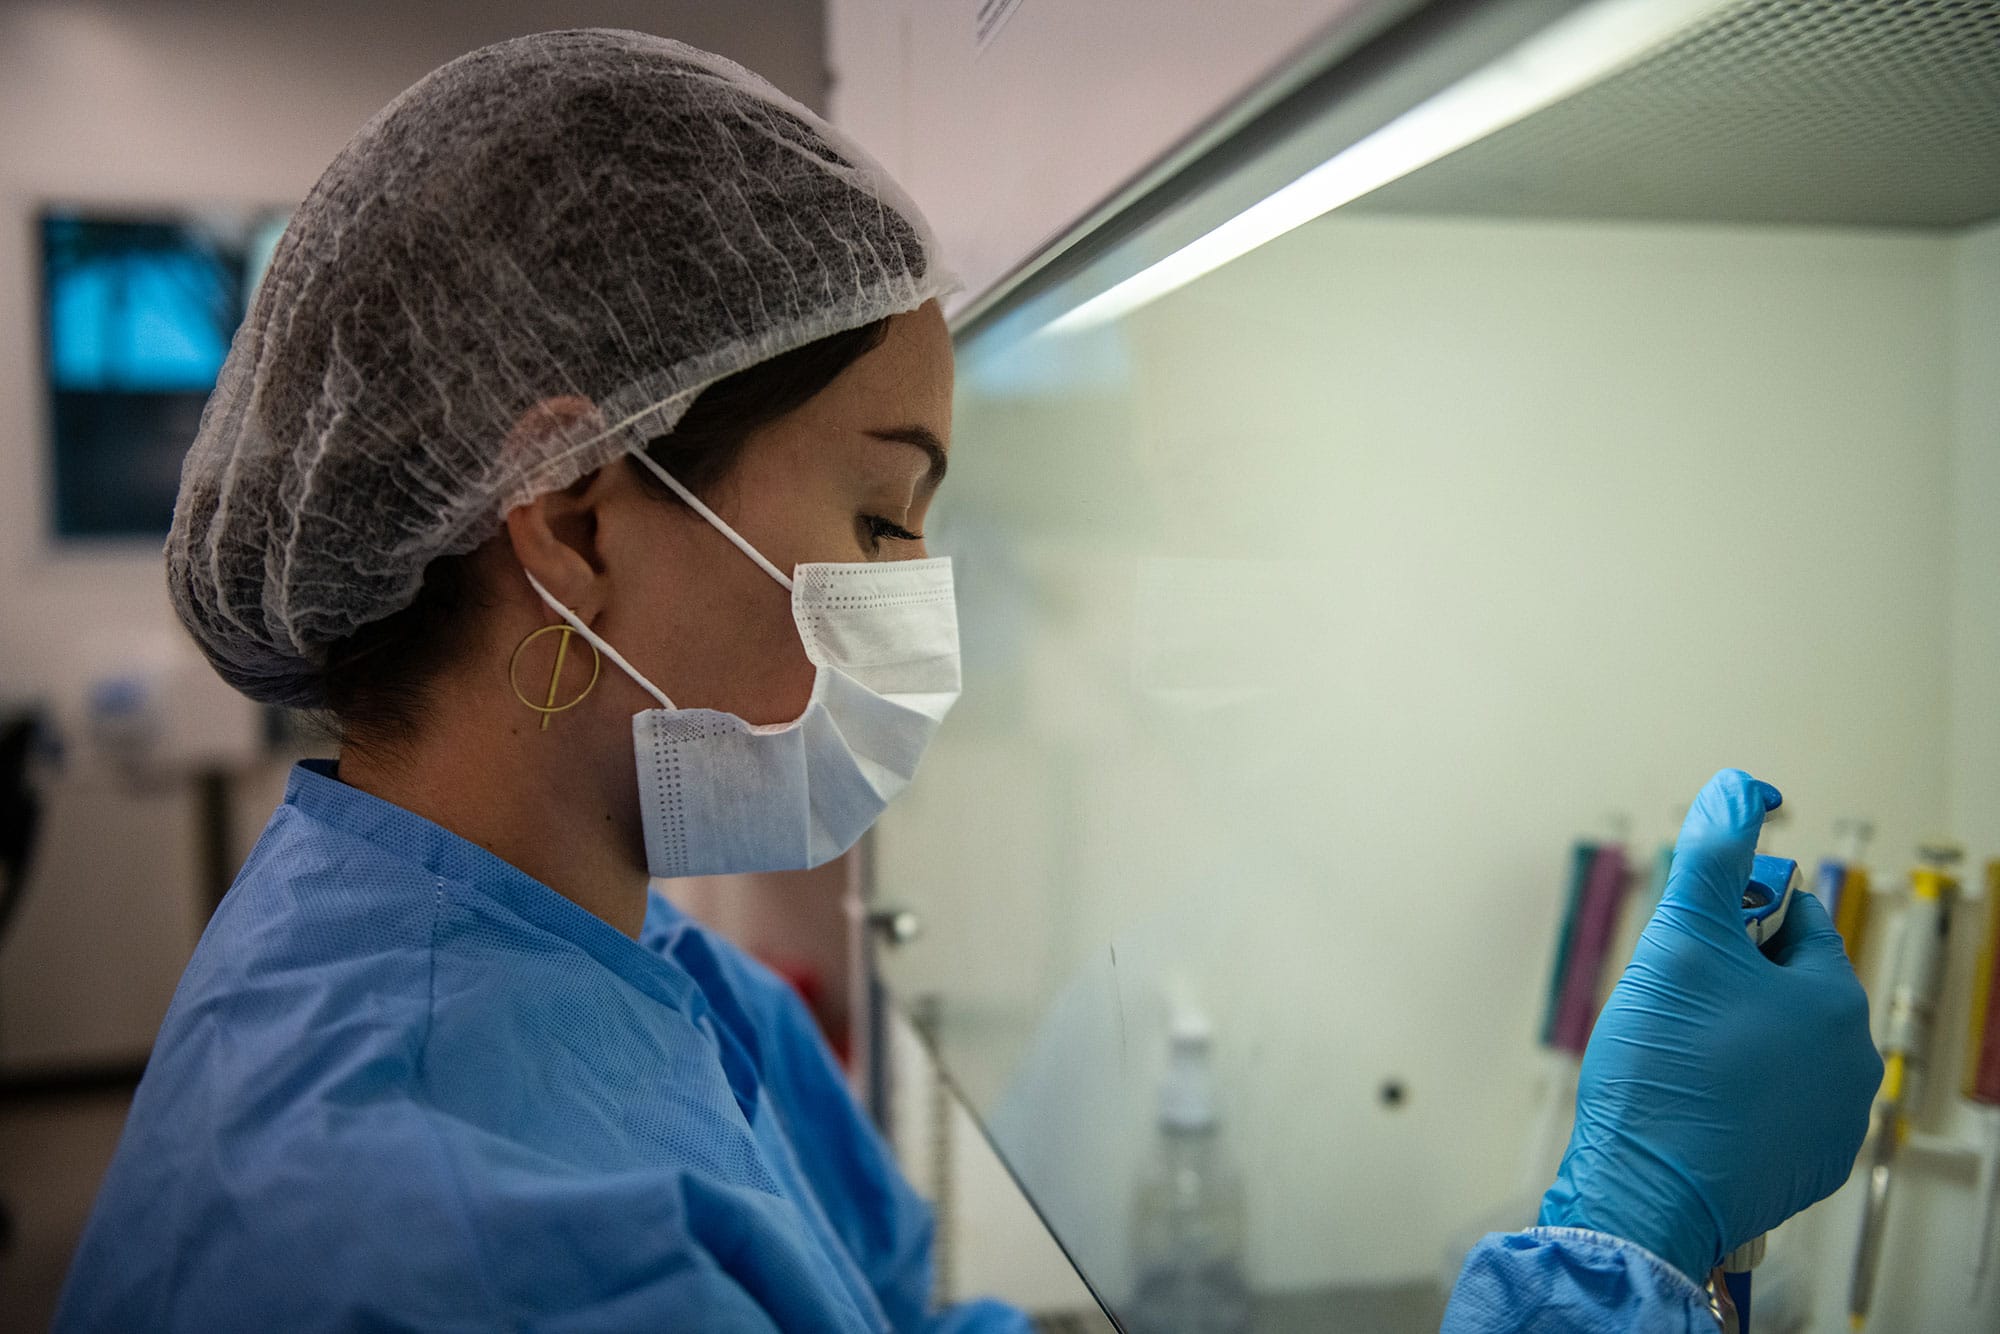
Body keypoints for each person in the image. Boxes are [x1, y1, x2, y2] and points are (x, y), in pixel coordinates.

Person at [56, 30, 1878, 1333]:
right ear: (578, 520)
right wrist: (1624, 1236)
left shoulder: (606, 970)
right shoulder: (463, 1227)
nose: (922, 601)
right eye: (876, 508)